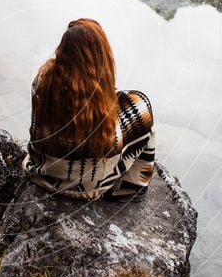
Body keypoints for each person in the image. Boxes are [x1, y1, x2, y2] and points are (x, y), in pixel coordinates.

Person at [23, 18, 155, 200]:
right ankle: (132, 187)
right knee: (141, 106)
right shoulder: (102, 103)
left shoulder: (42, 81)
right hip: (91, 187)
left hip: (44, 176)